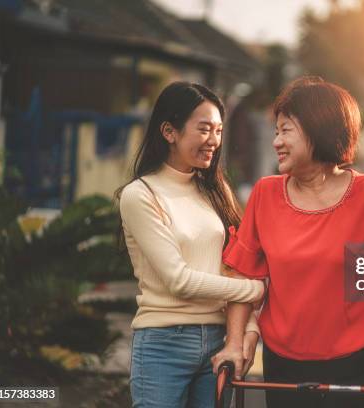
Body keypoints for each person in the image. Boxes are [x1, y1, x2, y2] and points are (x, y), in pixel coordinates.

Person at [212, 77, 364, 408]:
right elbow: (244, 275)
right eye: (276, 131)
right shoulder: (265, 194)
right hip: (283, 358)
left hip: (357, 357)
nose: (276, 142)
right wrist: (234, 342)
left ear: (319, 129)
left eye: (286, 130)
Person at [117, 82, 264, 408]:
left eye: (219, 130)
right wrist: (256, 291)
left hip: (217, 342)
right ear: (169, 131)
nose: (214, 141)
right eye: (204, 129)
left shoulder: (215, 190)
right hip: (163, 345)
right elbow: (178, 281)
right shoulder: (141, 195)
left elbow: (232, 265)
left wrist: (246, 332)